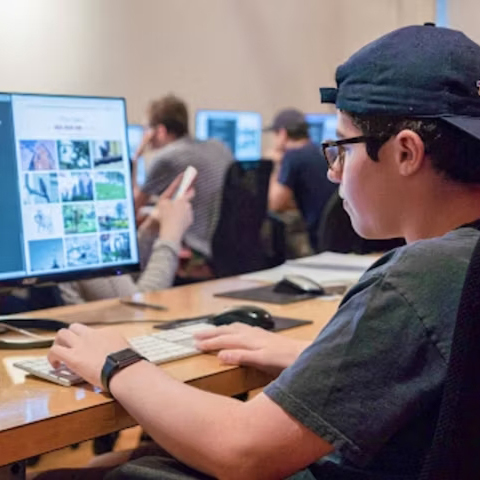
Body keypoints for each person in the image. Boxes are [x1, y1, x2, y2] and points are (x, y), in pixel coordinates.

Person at [36, 24, 480, 479]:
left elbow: (241, 450)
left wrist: (117, 361)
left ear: (407, 153)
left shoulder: (419, 278)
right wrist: (312, 361)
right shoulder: (460, 264)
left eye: (341, 148)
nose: (333, 173)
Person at [59, 176, 193, 303]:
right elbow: (140, 306)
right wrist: (171, 236)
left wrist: (152, 228)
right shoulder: (83, 238)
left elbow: (126, 279)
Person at [132, 94, 233, 260]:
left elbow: (133, 208)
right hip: (226, 248)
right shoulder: (219, 146)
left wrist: (136, 158)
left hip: (196, 250)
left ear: (160, 131)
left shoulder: (167, 157)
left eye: (147, 129)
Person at [265, 108, 336, 251]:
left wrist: (273, 165)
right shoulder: (321, 151)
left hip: (317, 238)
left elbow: (275, 204)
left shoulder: (292, 157)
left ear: (283, 134)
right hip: (335, 233)